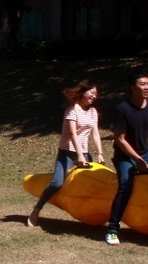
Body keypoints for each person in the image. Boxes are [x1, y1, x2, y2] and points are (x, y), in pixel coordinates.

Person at [27, 80, 104, 227]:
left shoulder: (93, 112)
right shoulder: (72, 110)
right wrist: (80, 155)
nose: (94, 96)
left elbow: (95, 134)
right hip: (67, 152)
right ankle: (36, 210)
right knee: (57, 183)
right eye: (92, 93)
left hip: (85, 152)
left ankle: (93, 213)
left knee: (93, 183)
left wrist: (100, 153)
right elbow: (73, 134)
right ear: (83, 92)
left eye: (96, 94)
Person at [105, 73, 148, 245]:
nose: (147, 87)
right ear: (132, 87)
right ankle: (112, 230)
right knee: (125, 186)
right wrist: (137, 159)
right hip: (125, 156)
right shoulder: (122, 109)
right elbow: (120, 139)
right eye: (142, 84)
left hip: (145, 153)